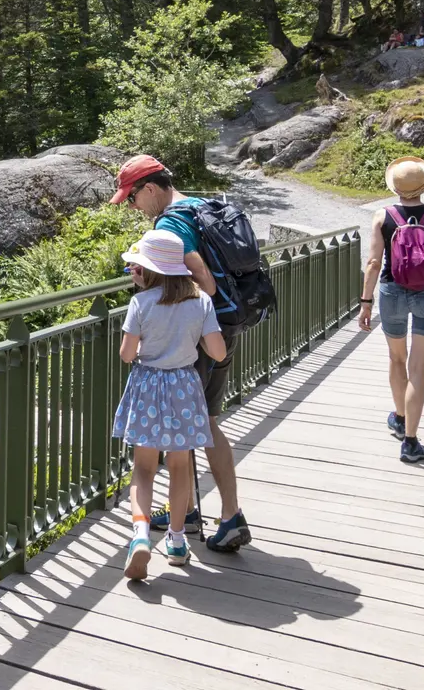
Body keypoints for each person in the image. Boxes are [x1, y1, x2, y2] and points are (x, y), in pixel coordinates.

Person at [111, 155, 252, 552]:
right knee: (198, 422)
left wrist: (167, 301)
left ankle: (229, 515)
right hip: (220, 326)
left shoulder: (171, 222)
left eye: (132, 197)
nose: (133, 206)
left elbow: (203, 280)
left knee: (203, 424)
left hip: (199, 336)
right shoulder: (199, 206)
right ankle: (186, 510)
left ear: (151, 189)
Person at [113, 229, 227, 580]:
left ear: (148, 270)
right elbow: (218, 352)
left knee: (144, 468)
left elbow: (127, 354)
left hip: (147, 385)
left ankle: (141, 535)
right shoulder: (201, 302)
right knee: (180, 467)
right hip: (183, 385)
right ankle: (176, 540)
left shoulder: (141, 303)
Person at [357, 156, 424, 463]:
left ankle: (400, 419)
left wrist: (366, 302)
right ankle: (412, 442)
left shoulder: (382, 216)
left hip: (392, 292)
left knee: (396, 358)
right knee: (418, 370)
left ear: (395, 187)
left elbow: (374, 263)